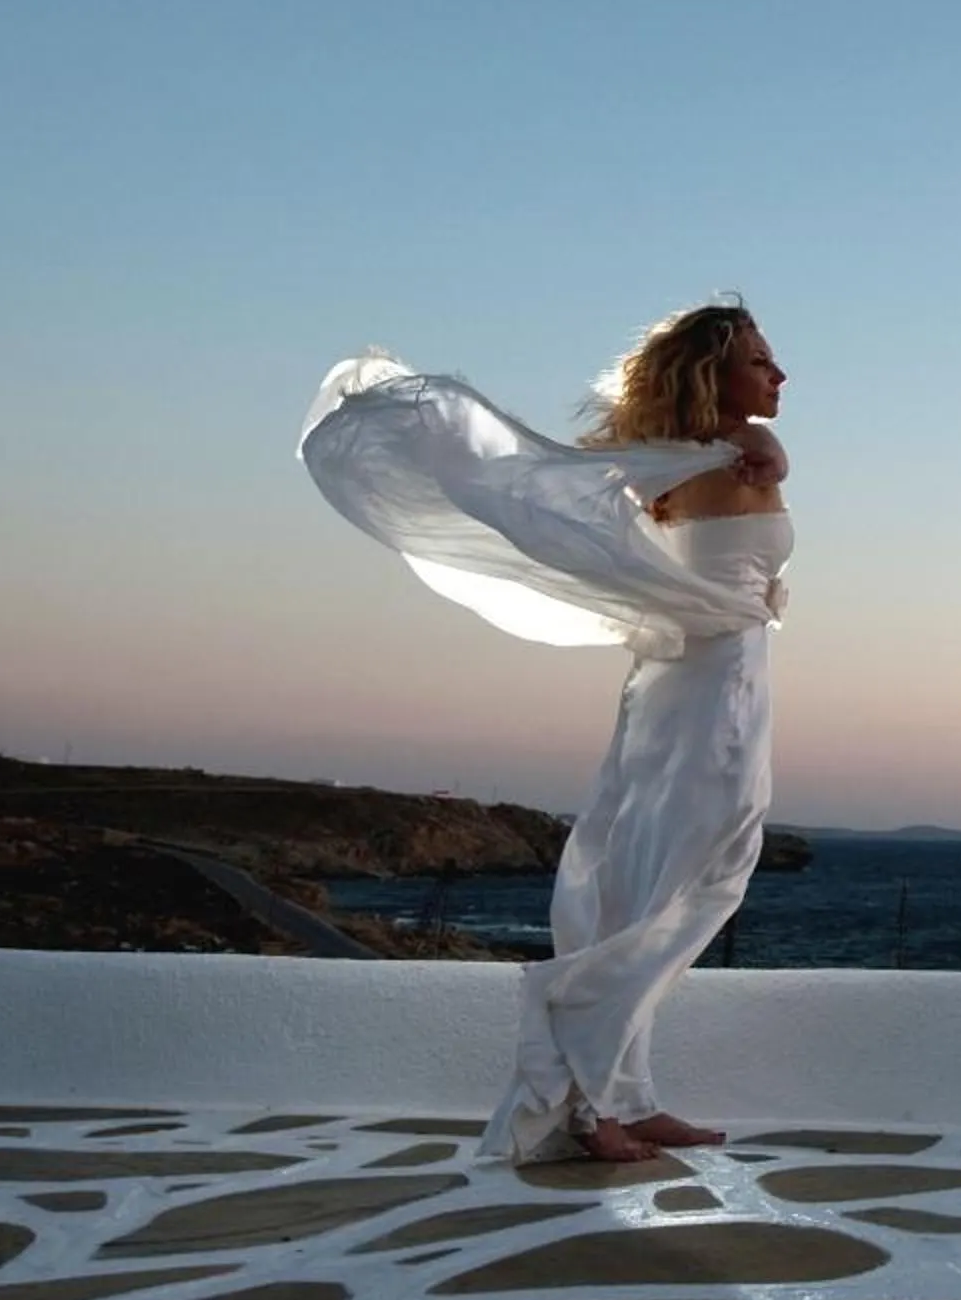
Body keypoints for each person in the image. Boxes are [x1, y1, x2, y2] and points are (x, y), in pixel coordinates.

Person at [299, 300, 793, 1162]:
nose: (779, 376)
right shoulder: (732, 459)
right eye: (760, 360)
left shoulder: (692, 461)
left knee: (681, 876)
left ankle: (624, 1094)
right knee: (677, 877)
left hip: (715, 678)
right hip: (707, 687)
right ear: (714, 377)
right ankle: (579, 1061)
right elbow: (564, 499)